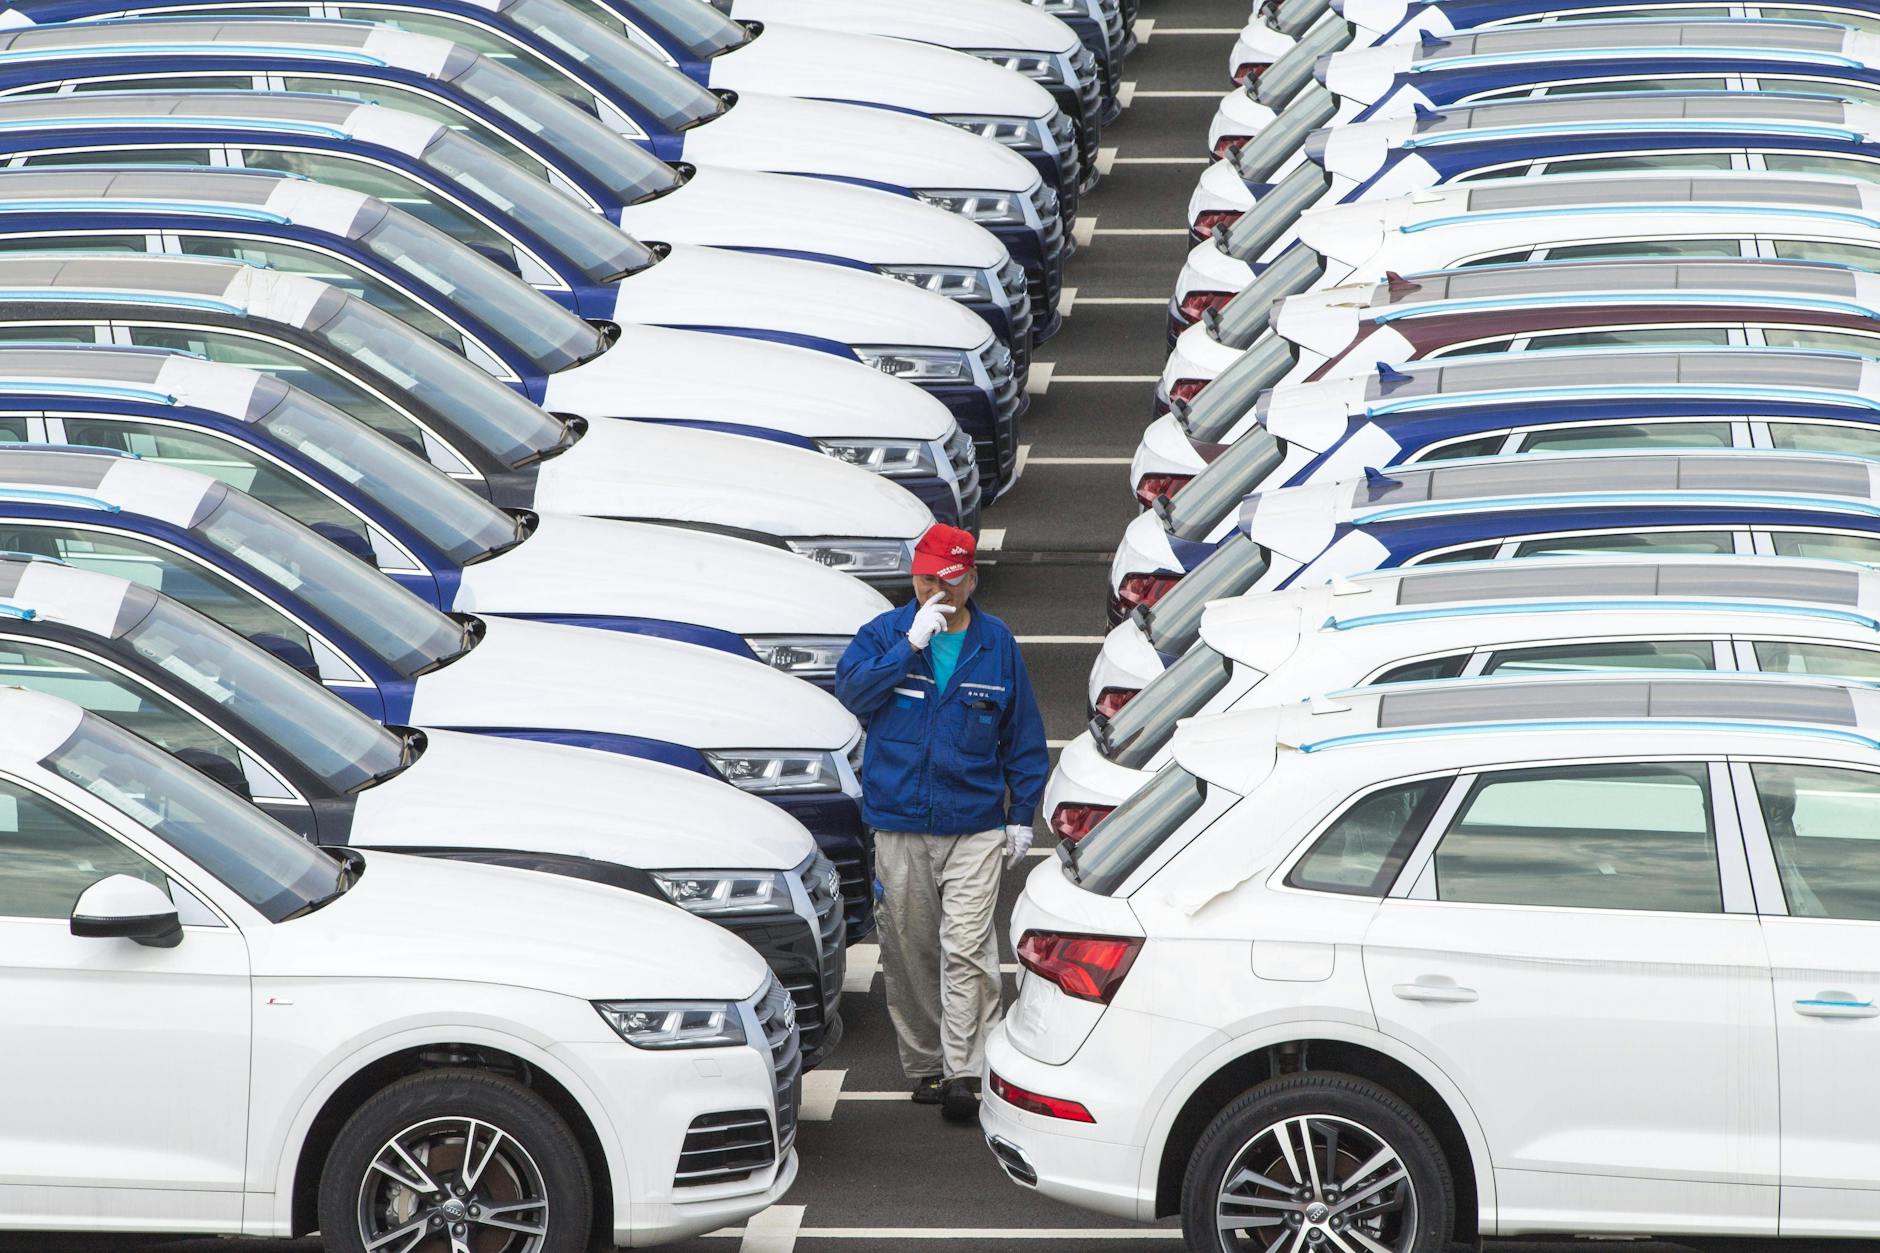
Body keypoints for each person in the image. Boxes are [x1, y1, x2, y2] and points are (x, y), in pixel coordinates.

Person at [835, 522, 1048, 1123]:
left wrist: (1021, 818)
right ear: (914, 578)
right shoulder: (883, 634)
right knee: (908, 949)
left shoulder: (996, 642)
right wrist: (909, 646)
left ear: (971, 578)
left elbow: (1024, 739)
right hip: (899, 823)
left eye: (950, 580)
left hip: (974, 824)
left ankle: (966, 1071)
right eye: (927, 578)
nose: (938, 590)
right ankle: (928, 1064)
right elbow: (853, 693)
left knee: (967, 948)